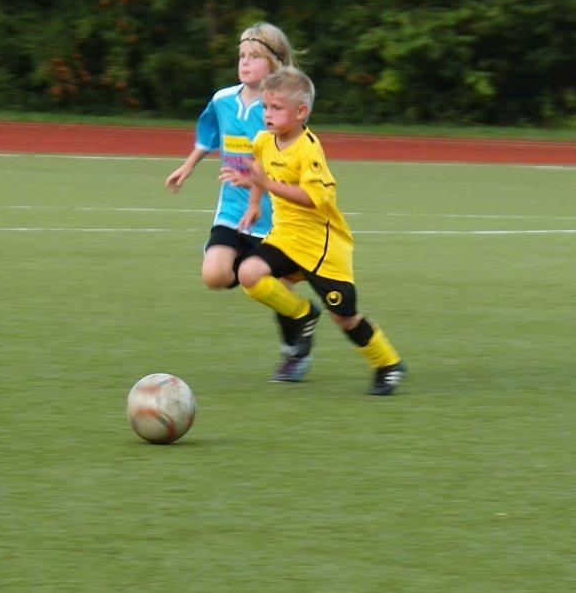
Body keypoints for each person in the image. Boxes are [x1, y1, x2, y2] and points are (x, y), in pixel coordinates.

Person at [219, 66, 407, 394]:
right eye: (265, 106)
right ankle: (303, 315)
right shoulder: (263, 141)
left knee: (344, 317)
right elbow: (261, 170)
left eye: (277, 108)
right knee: (248, 272)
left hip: (321, 247)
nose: (267, 114)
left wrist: (268, 185)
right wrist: (254, 202)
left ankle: (388, 364)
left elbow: (312, 198)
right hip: (285, 236)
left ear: (301, 111)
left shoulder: (308, 148)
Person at [165, 22, 309, 363]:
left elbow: (292, 160)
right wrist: (188, 166)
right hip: (232, 211)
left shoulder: (281, 110)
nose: (245, 62)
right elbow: (209, 134)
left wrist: (257, 181)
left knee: (276, 289)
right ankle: (251, 270)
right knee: (215, 275)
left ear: (274, 64)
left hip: (274, 216)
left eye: (255, 56)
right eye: (242, 55)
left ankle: (295, 347)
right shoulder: (223, 100)